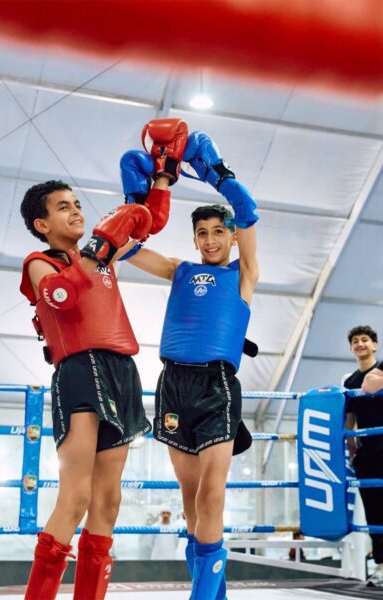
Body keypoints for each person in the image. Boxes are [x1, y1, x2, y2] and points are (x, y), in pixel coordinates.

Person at [19, 119, 187, 600]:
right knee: (75, 495)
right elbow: (61, 295)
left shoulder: (106, 253)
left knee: (109, 500)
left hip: (121, 370)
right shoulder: (40, 262)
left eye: (77, 204)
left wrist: (163, 176)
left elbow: (149, 222)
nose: (75, 211)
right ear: (42, 225)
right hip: (79, 370)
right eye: (63, 207)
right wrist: (97, 248)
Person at [120, 130, 258, 600]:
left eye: (219, 231)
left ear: (231, 235)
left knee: (211, 494)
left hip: (217, 386)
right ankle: (215, 595)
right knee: (190, 500)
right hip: (173, 384)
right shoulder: (180, 270)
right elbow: (124, 248)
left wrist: (217, 174)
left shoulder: (243, 274)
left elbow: (248, 211)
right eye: (202, 232)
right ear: (194, 237)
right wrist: (145, 193)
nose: (211, 239)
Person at [344, 325, 383, 587]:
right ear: (351, 348)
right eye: (355, 341)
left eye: (365, 340)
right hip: (367, 453)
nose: (360, 344)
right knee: (374, 512)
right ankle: (381, 565)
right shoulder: (349, 382)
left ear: (374, 345)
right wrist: (351, 447)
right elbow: (349, 417)